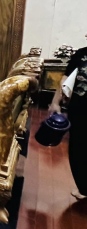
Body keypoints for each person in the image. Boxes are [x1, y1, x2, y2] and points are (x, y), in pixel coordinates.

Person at [49, 37, 87, 200]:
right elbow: (66, 80)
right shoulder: (81, 54)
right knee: (78, 147)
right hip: (80, 110)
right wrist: (55, 102)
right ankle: (84, 187)